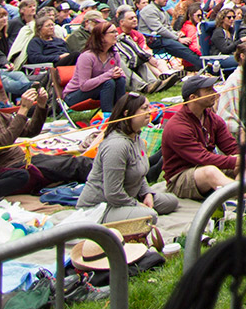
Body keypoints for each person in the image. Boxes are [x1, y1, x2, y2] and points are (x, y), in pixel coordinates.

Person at [159, 73, 246, 204]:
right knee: (211, 171)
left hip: (207, 167)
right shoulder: (177, 127)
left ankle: (240, 198)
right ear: (193, 97)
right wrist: (242, 160)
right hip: (180, 178)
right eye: (208, 90)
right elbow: (203, 158)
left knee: (245, 162)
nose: (215, 93)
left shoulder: (211, 118)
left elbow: (230, 146)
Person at [76, 93, 178, 226]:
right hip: (101, 207)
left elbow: (140, 175)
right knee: (150, 216)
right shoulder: (116, 146)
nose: (150, 112)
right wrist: (136, 205)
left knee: (172, 202)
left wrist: (147, 194)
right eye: (144, 108)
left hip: (128, 197)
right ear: (127, 113)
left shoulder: (137, 139)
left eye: (149, 107)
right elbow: (113, 193)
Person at [67, 24, 128, 115]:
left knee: (120, 80)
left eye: (116, 31)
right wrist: (109, 75)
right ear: (101, 37)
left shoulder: (114, 54)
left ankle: (120, 113)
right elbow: (84, 86)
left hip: (100, 90)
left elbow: (120, 75)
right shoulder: (87, 57)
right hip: (74, 95)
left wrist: (119, 74)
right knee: (108, 83)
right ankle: (107, 116)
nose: (116, 34)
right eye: (112, 32)